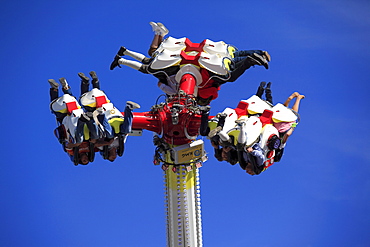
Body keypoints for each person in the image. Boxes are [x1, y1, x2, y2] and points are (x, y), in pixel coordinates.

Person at [78, 71, 141, 162]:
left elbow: (95, 144)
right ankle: (129, 108)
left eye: (112, 156)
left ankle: (89, 82)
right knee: (126, 130)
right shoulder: (120, 144)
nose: (114, 154)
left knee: (89, 100)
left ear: (106, 155)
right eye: (115, 156)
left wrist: (107, 142)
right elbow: (126, 134)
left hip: (103, 119)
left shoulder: (103, 148)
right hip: (113, 117)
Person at [48, 78, 100, 165]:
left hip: (68, 125)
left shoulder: (72, 152)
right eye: (87, 159)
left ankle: (54, 89)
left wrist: (76, 144)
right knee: (73, 102)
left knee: (57, 110)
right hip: (81, 120)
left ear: (78, 159)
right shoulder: (92, 149)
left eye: (84, 160)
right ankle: (66, 86)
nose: (85, 158)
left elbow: (67, 146)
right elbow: (98, 144)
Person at [272, 92, 305, 162]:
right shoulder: (276, 146)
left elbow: (287, 134)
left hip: (280, 128)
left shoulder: (279, 146)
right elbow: (287, 135)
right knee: (282, 112)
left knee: (292, 114)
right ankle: (291, 99)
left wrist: (294, 125)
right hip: (274, 125)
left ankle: (297, 99)